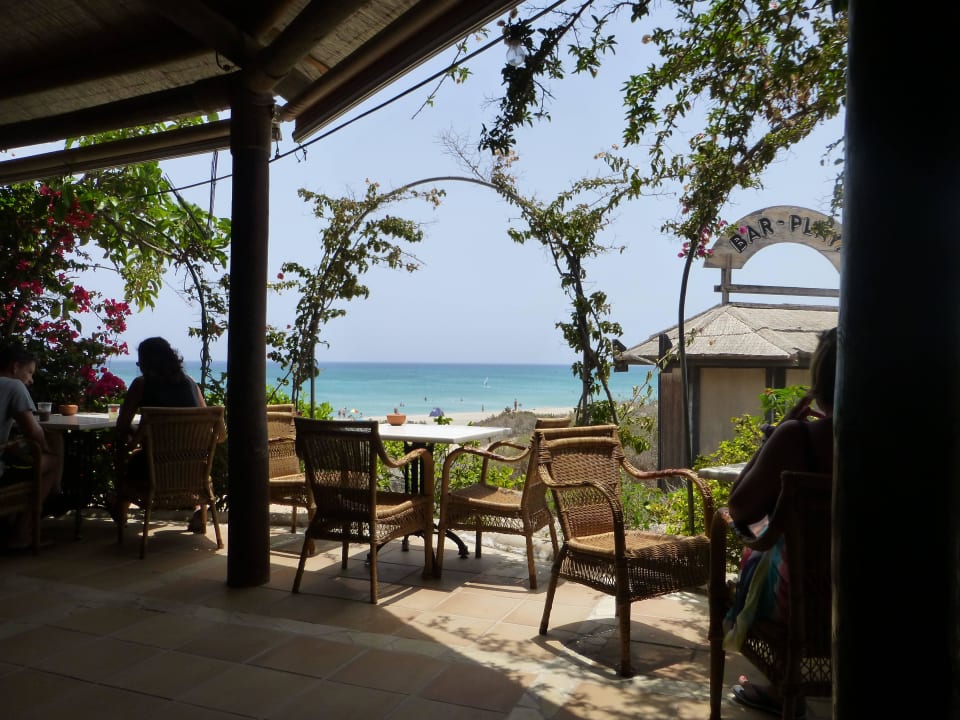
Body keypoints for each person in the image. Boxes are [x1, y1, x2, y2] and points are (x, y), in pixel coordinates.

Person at [724, 326, 837, 717]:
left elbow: (738, 509)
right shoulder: (912, 441)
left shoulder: (799, 439)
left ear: (820, 380)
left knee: (761, 553)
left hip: (806, 601)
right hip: (894, 596)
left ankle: (783, 685)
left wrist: (771, 441)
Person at [110, 337, 208, 531]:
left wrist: (134, 435)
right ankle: (201, 511)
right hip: (194, 468)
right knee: (140, 458)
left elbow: (121, 426)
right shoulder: (191, 384)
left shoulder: (141, 385)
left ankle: (118, 502)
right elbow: (206, 423)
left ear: (146, 362)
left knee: (128, 459)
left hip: (154, 467)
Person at [0, 342, 64, 549]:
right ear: (15, 367)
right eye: (29, 372)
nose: (31, 379)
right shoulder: (12, 386)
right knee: (53, 462)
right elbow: (34, 431)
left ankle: (11, 524)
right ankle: (22, 532)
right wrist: (46, 450)